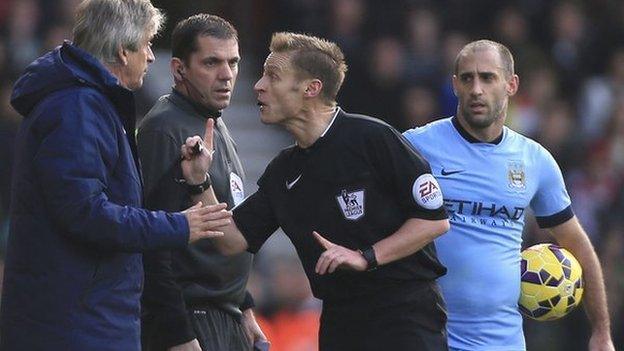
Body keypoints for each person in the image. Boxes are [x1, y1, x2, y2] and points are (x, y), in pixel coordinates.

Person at [185, 32, 451, 350]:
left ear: (312, 88)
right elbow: (232, 240)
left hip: (404, 316)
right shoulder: (284, 170)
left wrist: (366, 256)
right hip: (340, 322)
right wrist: (199, 182)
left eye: (273, 76)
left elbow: (434, 220)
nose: (258, 86)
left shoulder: (374, 139)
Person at [0, 1, 232, 350]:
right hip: (75, 325)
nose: (152, 56)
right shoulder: (77, 108)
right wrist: (178, 226)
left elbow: (103, 199)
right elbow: (84, 213)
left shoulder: (90, 104)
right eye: (147, 44)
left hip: (89, 317)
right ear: (123, 52)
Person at [403, 39, 615, 351]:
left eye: (488, 78)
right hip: (425, 337)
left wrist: (601, 332)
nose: (476, 89)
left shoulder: (535, 160)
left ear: (511, 84)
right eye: (467, 78)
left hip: (501, 342)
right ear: (455, 86)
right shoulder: (416, 146)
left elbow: (578, 244)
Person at [137, 14, 266, 351]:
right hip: (190, 318)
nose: (226, 75)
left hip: (224, 313)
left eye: (233, 62)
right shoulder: (165, 129)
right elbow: (150, 239)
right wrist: (175, 332)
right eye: (211, 62)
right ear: (179, 69)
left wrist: (244, 305)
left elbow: (222, 225)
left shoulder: (213, 122)